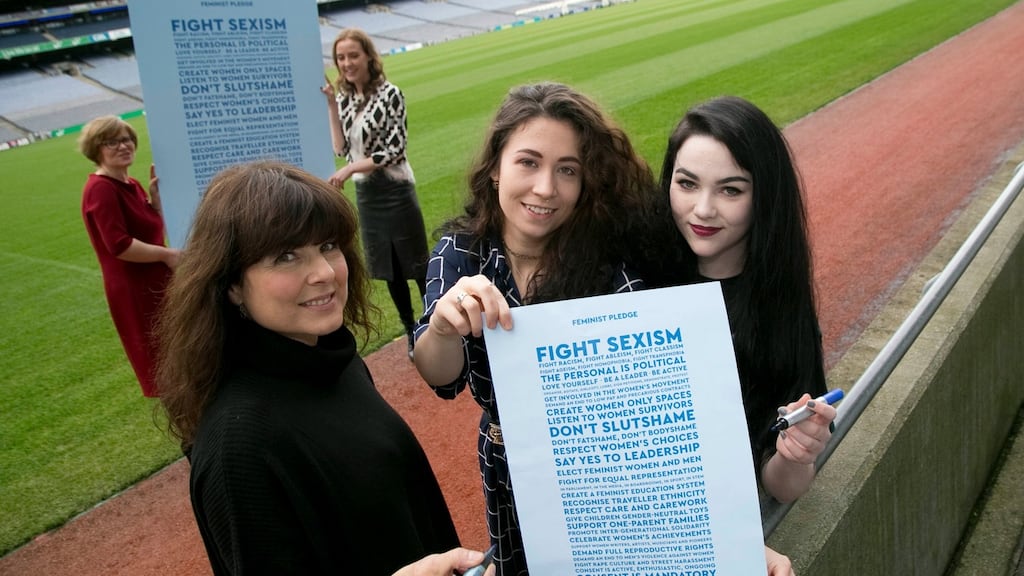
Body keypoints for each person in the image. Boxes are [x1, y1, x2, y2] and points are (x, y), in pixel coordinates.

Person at [155, 160, 476, 576]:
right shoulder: (238, 447)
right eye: (286, 256)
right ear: (232, 285)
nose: (324, 273)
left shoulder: (334, 361)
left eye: (328, 246)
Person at [412, 82, 654, 575]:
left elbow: (645, 374)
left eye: (567, 170)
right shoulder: (459, 253)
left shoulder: (606, 264)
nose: (546, 188)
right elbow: (440, 375)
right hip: (505, 464)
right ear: (495, 166)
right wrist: (441, 328)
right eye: (528, 162)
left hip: (597, 469)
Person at [644, 95, 837, 504]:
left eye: (730, 190)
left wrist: (795, 454)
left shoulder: (783, 306)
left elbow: (783, 487)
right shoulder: (633, 277)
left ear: (764, 197)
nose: (702, 209)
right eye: (687, 183)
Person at [322, 27, 428, 360]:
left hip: (395, 190)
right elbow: (341, 149)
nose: (347, 62)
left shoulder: (390, 94)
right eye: (341, 57)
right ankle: (412, 331)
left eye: (353, 55)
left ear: (368, 56)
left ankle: (435, 323)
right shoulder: (344, 99)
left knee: (417, 264)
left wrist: (353, 168)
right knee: (389, 268)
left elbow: (394, 149)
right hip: (368, 197)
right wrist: (329, 104)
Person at [79, 115, 179, 397]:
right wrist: (167, 255)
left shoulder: (131, 183)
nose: (123, 146)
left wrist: (156, 205)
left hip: (157, 280)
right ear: (96, 149)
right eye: (111, 142)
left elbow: (149, 230)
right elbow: (119, 245)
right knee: (161, 361)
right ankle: (188, 433)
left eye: (126, 139)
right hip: (135, 289)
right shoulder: (100, 189)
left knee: (177, 350)